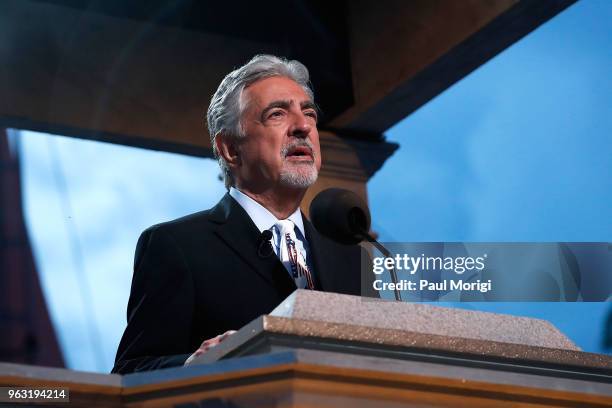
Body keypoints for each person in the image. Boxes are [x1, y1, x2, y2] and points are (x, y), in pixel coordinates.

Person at [112, 55, 369, 374]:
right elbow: (131, 370)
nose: (303, 126)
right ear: (230, 149)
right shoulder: (177, 246)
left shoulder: (354, 261)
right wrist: (195, 364)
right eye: (277, 114)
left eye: (309, 113)